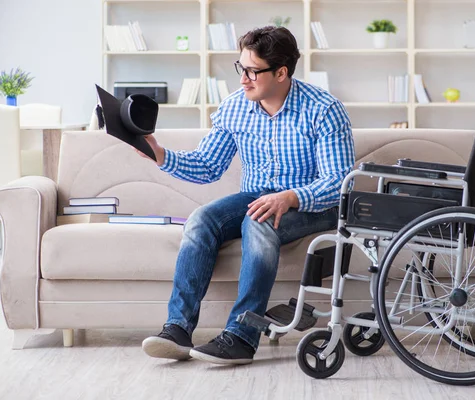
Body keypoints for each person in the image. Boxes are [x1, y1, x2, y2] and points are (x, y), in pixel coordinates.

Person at [140, 26, 355, 365]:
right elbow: (208, 165)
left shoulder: (323, 110)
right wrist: (160, 154)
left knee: (259, 220)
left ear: (281, 73)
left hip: (315, 201)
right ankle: (178, 329)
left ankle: (241, 337)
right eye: (241, 68)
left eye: (253, 71)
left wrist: (289, 198)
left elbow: (339, 182)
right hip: (257, 196)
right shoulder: (235, 108)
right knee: (202, 219)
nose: (243, 80)